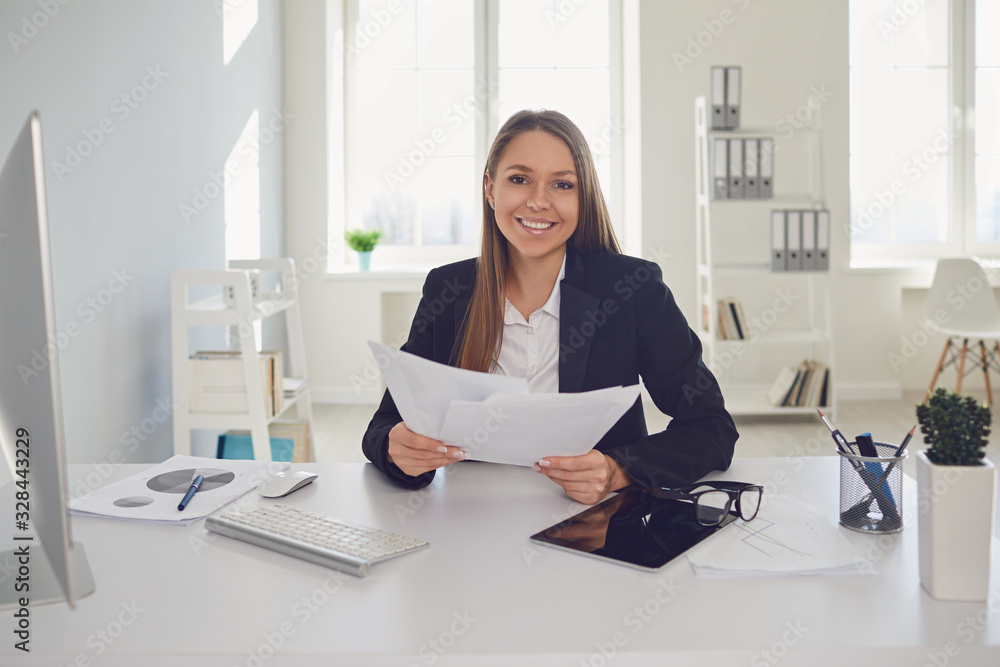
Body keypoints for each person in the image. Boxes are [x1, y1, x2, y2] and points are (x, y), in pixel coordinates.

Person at [362, 109, 738, 505]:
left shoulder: (632, 290)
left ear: (583, 196)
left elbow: (712, 427)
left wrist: (619, 470)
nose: (539, 201)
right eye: (519, 179)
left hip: (594, 525)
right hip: (467, 520)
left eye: (562, 184)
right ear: (490, 189)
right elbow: (384, 424)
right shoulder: (448, 289)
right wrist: (394, 448)